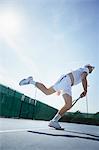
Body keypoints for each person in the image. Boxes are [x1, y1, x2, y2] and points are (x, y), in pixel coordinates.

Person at [19, 64, 95, 129]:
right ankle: (30, 81)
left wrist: (59, 87)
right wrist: (85, 90)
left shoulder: (81, 70)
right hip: (66, 82)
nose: (92, 69)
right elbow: (83, 78)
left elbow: (76, 77)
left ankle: (54, 121)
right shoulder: (86, 70)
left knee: (66, 103)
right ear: (88, 67)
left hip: (66, 83)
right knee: (49, 93)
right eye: (92, 67)